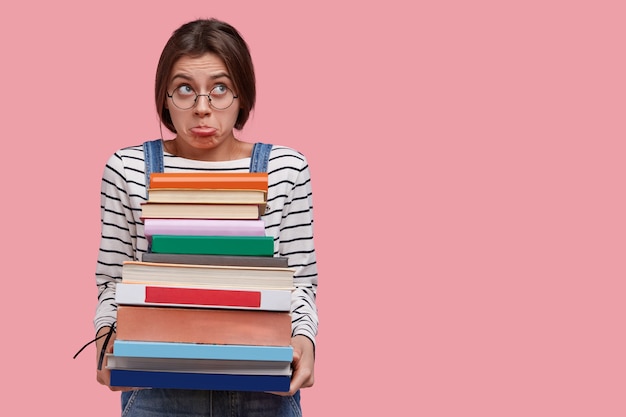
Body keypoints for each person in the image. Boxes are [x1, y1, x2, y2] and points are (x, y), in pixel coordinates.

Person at [93, 18, 318, 416]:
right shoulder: (127, 168)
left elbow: (299, 281)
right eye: (185, 89)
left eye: (220, 89)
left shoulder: (285, 167)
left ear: (242, 96)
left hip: (264, 387)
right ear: (164, 96)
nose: (202, 108)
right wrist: (105, 337)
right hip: (156, 387)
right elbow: (114, 280)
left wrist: (305, 340)